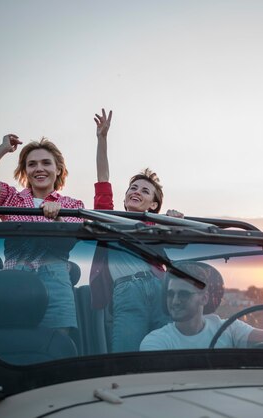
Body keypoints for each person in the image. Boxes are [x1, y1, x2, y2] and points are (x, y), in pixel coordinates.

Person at [89, 109, 179, 352]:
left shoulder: (158, 226)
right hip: (128, 290)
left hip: (161, 289)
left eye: (145, 190)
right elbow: (103, 179)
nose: (136, 191)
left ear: (154, 205)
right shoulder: (111, 218)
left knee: (165, 348)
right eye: (133, 187)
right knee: (128, 349)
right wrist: (102, 139)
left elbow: (180, 249)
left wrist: (175, 222)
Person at [0, 135, 84, 331]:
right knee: (13, 341)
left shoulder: (72, 205)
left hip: (55, 282)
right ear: (26, 171)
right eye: (32, 164)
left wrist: (57, 217)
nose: (39, 168)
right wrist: (3, 148)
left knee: (58, 343)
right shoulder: (11, 199)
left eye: (46, 163)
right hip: (15, 283)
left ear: (58, 169)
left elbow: (71, 241)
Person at [139, 262, 263, 351]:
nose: (175, 301)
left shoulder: (228, 328)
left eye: (183, 294)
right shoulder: (156, 342)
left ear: (204, 298)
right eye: (170, 294)